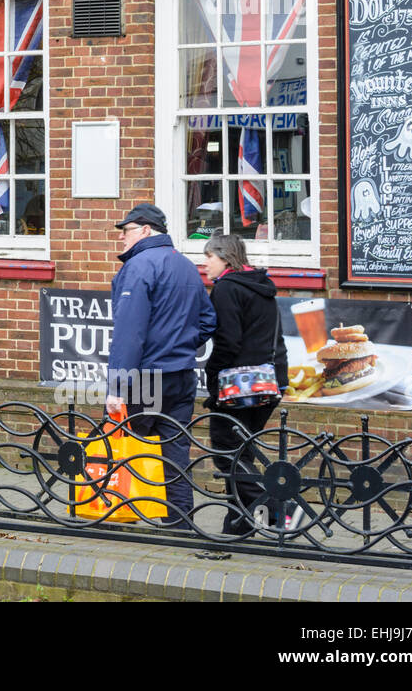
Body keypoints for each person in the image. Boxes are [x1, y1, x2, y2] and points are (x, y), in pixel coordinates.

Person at [105, 203, 217, 529]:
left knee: (124, 442)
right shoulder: (185, 266)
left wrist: (116, 389)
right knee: (175, 452)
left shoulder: (139, 267)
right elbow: (208, 321)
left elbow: (129, 334)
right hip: (182, 374)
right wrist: (180, 345)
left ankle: (115, 516)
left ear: (145, 231)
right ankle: (179, 524)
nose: (122, 238)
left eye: (126, 231)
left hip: (147, 377)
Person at [202, 232, 289, 535]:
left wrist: (211, 374)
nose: (205, 265)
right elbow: (275, 337)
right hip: (268, 384)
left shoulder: (227, 289)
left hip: (237, 387)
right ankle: (237, 527)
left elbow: (227, 341)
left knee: (228, 452)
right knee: (244, 454)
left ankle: (281, 516)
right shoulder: (263, 287)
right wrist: (282, 379)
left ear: (224, 257)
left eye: (209, 257)